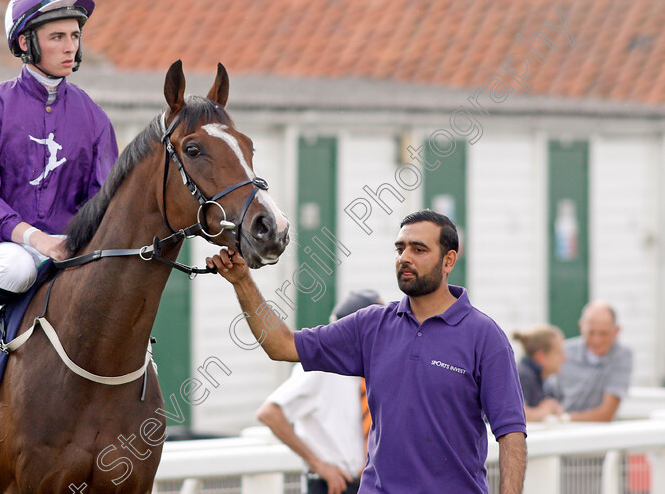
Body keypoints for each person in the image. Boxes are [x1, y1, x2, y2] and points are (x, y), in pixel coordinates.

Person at [207, 210, 527, 494]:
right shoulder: (371, 325)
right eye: (400, 248)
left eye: (419, 249)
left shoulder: (484, 336)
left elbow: (511, 432)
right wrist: (242, 282)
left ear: (449, 260)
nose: (405, 257)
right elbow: (282, 345)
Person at [0, 0, 119, 389]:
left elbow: (105, 200)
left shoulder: (94, 119)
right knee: (17, 267)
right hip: (0, 250)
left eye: (74, 35)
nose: (70, 46)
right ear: (25, 42)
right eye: (57, 37)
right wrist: (38, 240)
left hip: (69, 250)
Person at [257, 290, 382, 494]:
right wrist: (318, 465)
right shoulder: (319, 369)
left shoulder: (368, 370)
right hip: (333, 484)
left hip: (365, 484)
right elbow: (270, 413)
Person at [551, 300, 633, 422]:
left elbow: (607, 413)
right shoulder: (564, 352)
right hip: (559, 428)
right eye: (591, 332)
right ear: (581, 327)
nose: (597, 340)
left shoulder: (622, 356)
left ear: (616, 331)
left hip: (597, 435)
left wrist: (567, 418)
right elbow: (548, 394)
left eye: (603, 333)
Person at [512, 325, 565, 422]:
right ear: (541, 356)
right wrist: (545, 410)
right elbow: (515, 414)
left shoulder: (543, 379)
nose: (564, 357)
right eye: (558, 352)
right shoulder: (522, 376)